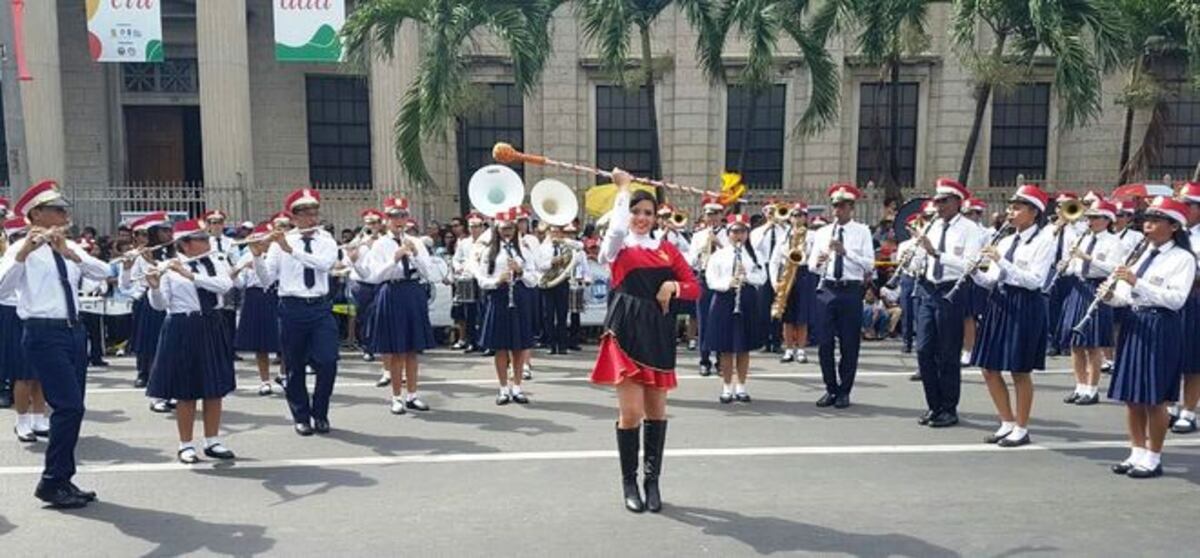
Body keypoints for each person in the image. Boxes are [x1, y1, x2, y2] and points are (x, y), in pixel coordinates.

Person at [590, 168, 699, 513]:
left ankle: (652, 482)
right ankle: (629, 482)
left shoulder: (668, 250)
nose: (640, 218)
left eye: (647, 213)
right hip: (626, 328)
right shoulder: (617, 246)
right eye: (636, 211)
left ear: (656, 218)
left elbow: (696, 287)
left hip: (658, 330)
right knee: (632, 412)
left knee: (656, 412)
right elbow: (618, 228)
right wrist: (624, 189)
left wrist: (674, 287)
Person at [0, 180, 111, 508]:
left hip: (73, 332)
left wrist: (69, 253)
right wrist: (22, 254)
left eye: (65, 209)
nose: (65, 214)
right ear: (37, 214)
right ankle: (51, 481)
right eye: (58, 209)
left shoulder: (69, 245)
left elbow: (104, 272)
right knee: (68, 406)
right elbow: (2, 289)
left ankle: (62, 477)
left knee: (74, 407)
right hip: (43, 332)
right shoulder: (20, 248)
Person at [1104, 196, 1195, 478]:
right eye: (1147, 219)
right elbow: (1126, 296)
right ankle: (1136, 451)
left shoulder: (1183, 259)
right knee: (1133, 396)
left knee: (1155, 398)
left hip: (1161, 325)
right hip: (1135, 322)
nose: (1148, 225)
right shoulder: (1142, 253)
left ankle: (1154, 456)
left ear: (1174, 227)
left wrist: (1137, 282)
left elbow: (1176, 300)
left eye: (1155, 221)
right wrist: (1111, 295)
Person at [145, 218, 237, 464]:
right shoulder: (167, 267)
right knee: (186, 391)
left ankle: (212, 440)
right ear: (184, 245)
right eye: (201, 239)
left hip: (211, 323)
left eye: (206, 237)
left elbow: (225, 285)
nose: (207, 242)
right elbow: (161, 305)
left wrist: (191, 275)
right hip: (183, 326)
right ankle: (185, 445)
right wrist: (154, 287)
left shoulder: (216, 260)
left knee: (214, 388)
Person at [968, 185, 1053, 447]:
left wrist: (1002, 262)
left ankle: (1022, 427)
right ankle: (1006, 421)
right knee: (988, 367)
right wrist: (974, 272)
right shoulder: (1004, 240)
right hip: (1000, 301)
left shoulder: (1044, 241)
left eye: (1017, 208)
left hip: (1025, 304)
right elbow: (991, 279)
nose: (1010, 212)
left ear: (1033, 212)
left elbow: (1034, 281)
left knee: (1019, 370)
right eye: (1011, 207)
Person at [251, 188, 340, 437]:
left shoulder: (326, 241)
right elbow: (267, 279)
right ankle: (301, 416)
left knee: (328, 361)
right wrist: (258, 256)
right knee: (294, 366)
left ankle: (320, 412)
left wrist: (292, 250)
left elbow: (323, 265)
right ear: (295, 217)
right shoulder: (280, 243)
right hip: (292, 307)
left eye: (314, 212)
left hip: (320, 306)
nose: (312, 218)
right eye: (305, 214)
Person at [915, 179, 984, 428]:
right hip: (928, 290)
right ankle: (934, 405)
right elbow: (924, 258)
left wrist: (937, 254)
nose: (938, 205)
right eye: (936, 201)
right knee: (923, 350)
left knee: (948, 354)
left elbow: (971, 264)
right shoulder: (933, 225)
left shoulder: (970, 229)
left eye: (943, 201)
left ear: (957, 201)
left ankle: (948, 408)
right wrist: (916, 259)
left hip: (952, 292)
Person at [363, 197, 437, 414]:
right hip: (392, 291)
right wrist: (394, 259)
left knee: (413, 349)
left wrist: (414, 255)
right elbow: (375, 276)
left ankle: (413, 395)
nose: (399, 220)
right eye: (394, 216)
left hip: (413, 291)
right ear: (386, 219)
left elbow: (429, 273)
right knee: (396, 350)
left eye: (403, 215)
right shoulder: (380, 244)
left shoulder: (417, 242)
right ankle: (396, 397)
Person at [810, 184, 874, 408]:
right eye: (835, 206)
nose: (837, 210)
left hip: (850, 289)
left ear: (851, 208)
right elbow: (811, 265)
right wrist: (818, 262)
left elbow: (869, 264)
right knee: (824, 343)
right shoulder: (822, 232)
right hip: (827, 288)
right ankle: (830, 388)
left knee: (849, 343)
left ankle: (845, 390)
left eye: (842, 206)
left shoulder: (862, 231)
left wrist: (846, 252)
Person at [1058, 199, 1122, 406]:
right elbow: (1074, 267)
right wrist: (1064, 266)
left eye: (1095, 217)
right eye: (1089, 217)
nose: (1090, 221)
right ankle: (1080, 386)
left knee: (1092, 345)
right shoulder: (1082, 239)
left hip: (1098, 288)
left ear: (1107, 220)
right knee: (1076, 344)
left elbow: (1113, 269)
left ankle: (1092, 389)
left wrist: (1088, 258)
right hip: (1079, 287)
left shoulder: (1114, 242)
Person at [476, 208, 542, 405]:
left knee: (519, 347)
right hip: (499, 297)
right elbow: (481, 280)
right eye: (504, 229)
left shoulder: (524, 250)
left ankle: (517, 387)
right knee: (501, 347)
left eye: (511, 228)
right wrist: (498, 280)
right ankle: (503, 388)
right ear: (497, 229)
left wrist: (520, 272)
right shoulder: (489, 251)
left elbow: (534, 279)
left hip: (519, 298)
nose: (507, 232)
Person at [705, 214, 767, 403]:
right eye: (734, 231)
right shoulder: (719, 255)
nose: (738, 235)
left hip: (746, 298)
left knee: (743, 346)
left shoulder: (755, 254)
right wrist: (728, 282)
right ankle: (726, 387)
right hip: (724, 298)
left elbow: (762, 277)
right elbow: (710, 280)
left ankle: (741, 386)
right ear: (729, 233)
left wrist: (747, 277)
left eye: (742, 231)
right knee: (726, 347)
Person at [120, 212, 175, 412]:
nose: (169, 234)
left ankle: (172, 390)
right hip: (151, 302)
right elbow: (125, 285)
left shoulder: (174, 253)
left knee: (172, 350)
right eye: (164, 230)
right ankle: (154, 389)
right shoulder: (139, 255)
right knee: (153, 348)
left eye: (170, 230)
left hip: (173, 304)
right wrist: (127, 267)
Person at [2, 216, 49, 442]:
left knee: (39, 373)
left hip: (38, 315)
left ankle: (39, 417)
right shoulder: (14, 251)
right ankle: (22, 421)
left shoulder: (44, 251)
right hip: (16, 313)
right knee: (23, 374)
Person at [233, 222, 282, 396]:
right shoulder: (247, 256)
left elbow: (273, 278)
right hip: (255, 297)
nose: (265, 243)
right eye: (261, 240)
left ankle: (284, 374)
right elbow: (239, 284)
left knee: (285, 339)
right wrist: (236, 272)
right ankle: (265, 381)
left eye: (268, 239)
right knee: (260, 343)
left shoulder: (279, 254)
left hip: (277, 294)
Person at [1169, 182, 1200, 433]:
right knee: (1170, 356)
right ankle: (1169, 404)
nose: (1183, 209)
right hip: (1169, 299)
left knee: (1193, 360)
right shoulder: (1172, 233)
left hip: (1195, 299)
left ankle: (1189, 410)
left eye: (1188, 205)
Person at [769, 203, 816, 364]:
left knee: (802, 315)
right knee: (787, 315)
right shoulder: (783, 236)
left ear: (805, 218)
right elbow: (774, 260)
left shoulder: (812, 236)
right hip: (786, 272)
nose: (797, 219)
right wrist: (775, 281)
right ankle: (788, 349)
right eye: (794, 215)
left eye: (800, 215)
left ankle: (801, 350)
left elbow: (815, 257)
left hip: (803, 273)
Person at [686, 195, 727, 376]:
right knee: (703, 320)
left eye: (716, 214)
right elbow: (691, 261)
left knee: (720, 320)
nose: (713, 218)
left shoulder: (728, 234)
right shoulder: (697, 236)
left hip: (721, 279)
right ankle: (704, 360)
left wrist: (719, 244)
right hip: (703, 278)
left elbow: (732, 256)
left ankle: (720, 360)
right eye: (710, 214)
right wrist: (703, 248)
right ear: (704, 216)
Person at [1105, 200, 1144, 372]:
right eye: (1115, 215)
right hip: (1108, 278)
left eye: (1121, 215)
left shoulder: (1136, 237)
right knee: (1107, 323)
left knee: (1120, 324)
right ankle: (1108, 359)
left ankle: (1120, 357)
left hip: (1126, 278)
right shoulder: (1107, 235)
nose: (1117, 219)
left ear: (1129, 217)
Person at [1045, 192, 1082, 357]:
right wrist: (1056, 227)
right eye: (1060, 205)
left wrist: (1071, 224)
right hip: (1052, 270)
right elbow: (1044, 245)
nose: (1062, 209)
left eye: (1067, 205)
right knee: (1050, 308)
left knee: (1068, 310)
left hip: (1070, 272)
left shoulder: (1080, 228)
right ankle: (1050, 343)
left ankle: (1065, 342)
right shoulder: (1049, 228)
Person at [751, 201, 788, 354]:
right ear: (764, 213)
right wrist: (767, 228)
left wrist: (780, 225)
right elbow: (755, 246)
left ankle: (777, 341)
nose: (772, 213)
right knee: (763, 306)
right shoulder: (757, 231)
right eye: (768, 211)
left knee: (778, 305)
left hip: (779, 268)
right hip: (763, 267)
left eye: (774, 210)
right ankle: (764, 341)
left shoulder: (784, 230)